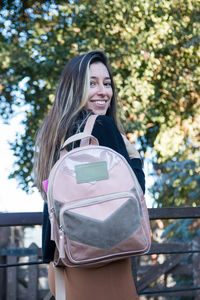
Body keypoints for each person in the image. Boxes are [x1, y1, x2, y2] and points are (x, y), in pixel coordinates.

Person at [33, 50, 145, 300]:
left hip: (62, 260)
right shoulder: (101, 127)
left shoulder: (56, 137)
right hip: (100, 260)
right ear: (74, 89)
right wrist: (135, 159)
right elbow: (132, 197)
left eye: (107, 83)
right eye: (91, 83)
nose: (103, 91)